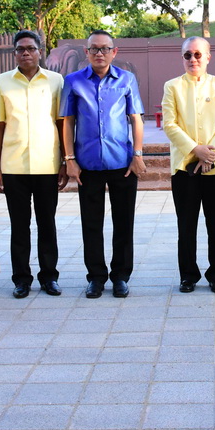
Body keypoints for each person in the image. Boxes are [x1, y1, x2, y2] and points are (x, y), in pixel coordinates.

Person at [61, 30, 145, 299]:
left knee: (124, 223)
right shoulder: (73, 82)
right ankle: (96, 277)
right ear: (86, 53)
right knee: (91, 224)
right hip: (87, 164)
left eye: (105, 49)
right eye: (94, 49)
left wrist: (138, 154)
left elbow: (135, 118)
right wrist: (70, 160)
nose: (99, 53)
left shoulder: (126, 79)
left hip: (122, 162)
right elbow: (68, 121)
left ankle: (120, 277)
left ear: (114, 52)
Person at [0, 30, 67, 299]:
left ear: (40, 52)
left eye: (31, 48)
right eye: (20, 49)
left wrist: (65, 162)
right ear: (14, 53)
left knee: (47, 223)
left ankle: (49, 277)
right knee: (19, 225)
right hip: (14, 166)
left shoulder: (56, 81)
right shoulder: (2, 82)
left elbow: (62, 123)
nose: (26, 53)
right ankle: (21, 279)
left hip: (48, 164)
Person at [161, 36, 215, 294]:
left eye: (198, 54)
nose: (193, 59)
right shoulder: (172, 87)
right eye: (188, 55)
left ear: (208, 57)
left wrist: (209, 153)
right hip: (184, 166)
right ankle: (188, 275)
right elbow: (169, 124)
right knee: (187, 224)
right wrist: (196, 150)